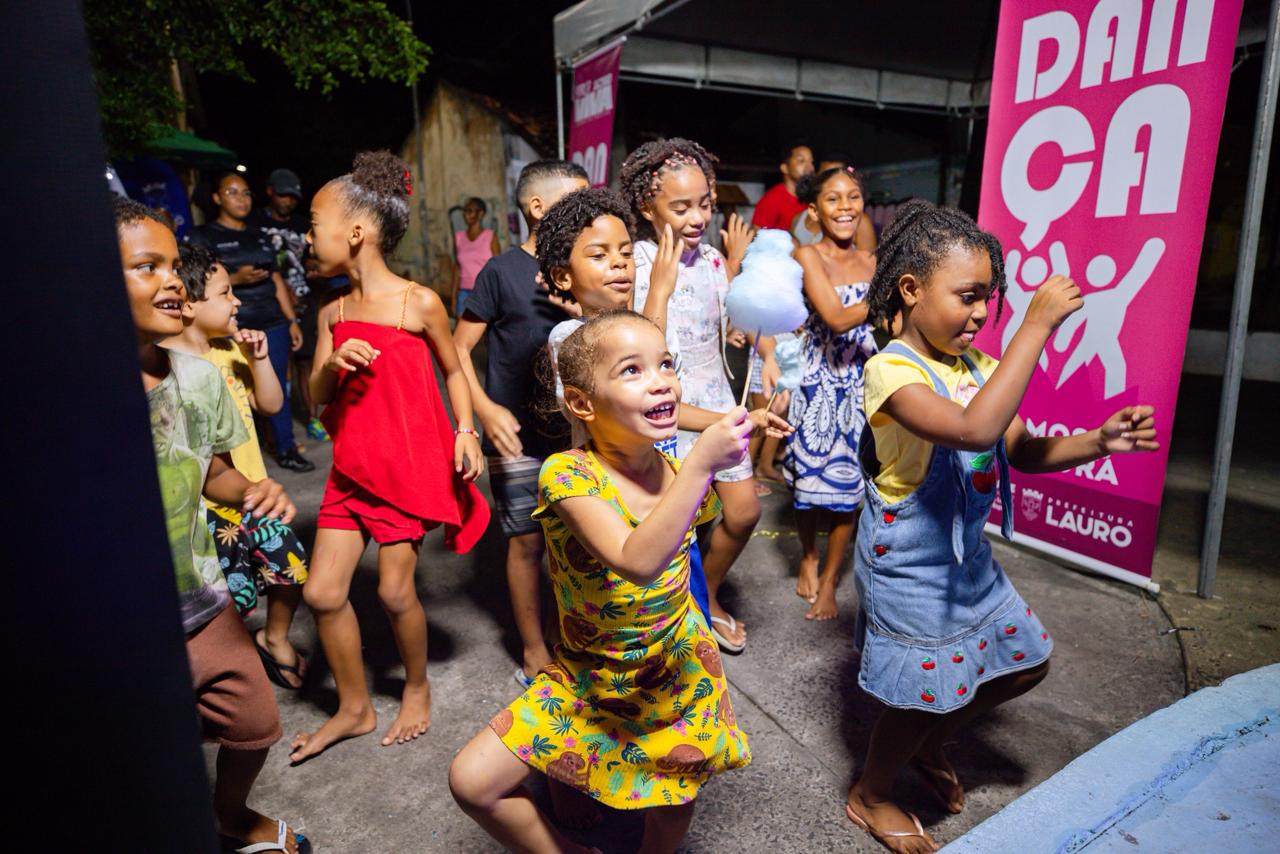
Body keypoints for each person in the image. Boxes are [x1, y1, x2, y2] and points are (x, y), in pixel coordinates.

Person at [844, 200, 1159, 852]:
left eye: (990, 298)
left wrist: (1097, 441)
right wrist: (1036, 327)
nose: (983, 313)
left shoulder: (980, 371)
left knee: (1025, 663)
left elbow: (1020, 450)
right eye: (968, 296)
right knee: (914, 698)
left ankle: (930, 743)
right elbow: (972, 429)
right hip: (907, 558)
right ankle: (871, 794)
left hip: (964, 559)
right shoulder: (891, 371)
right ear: (911, 289)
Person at [449, 310, 754, 854]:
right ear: (583, 404)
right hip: (588, 677)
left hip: (672, 677)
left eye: (665, 364)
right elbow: (635, 560)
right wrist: (703, 462)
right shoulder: (567, 475)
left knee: (671, 804)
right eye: (632, 370)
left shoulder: (674, 469)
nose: (660, 378)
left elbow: (681, 563)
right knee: (473, 782)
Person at [115, 197, 310, 853]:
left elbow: (213, 473)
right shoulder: (66, 386)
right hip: (115, 621)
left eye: (175, 266)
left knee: (254, 722)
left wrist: (254, 486)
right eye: (148, 267)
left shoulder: (197, 379)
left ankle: (229, 814)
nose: (172, 280)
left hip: (202, 599)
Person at [288, 151, 490, 763]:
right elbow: (317, 399)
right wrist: (329, 365)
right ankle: (354, 707)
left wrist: (466, 430)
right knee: (322, 594)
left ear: (355, 233)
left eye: (314, 222)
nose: (305, 235)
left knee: (396, 595)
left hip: (403, 471)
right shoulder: (334, 313)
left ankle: (417, 686)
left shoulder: (417, 302)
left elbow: (456, 371)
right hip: (351, 471)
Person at [621, 138, 790, 654]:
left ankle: (708, 594)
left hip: (719, 398)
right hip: (667, 410)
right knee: (676, 530)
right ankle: (680, 614)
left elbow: (735, 317)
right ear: (648, 208)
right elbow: (640, 342)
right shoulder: (639, 262)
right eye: (681, 207)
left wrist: (766, 354)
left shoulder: (714, 260)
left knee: (742, 513)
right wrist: (662, 286)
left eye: (705, 203)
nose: (697, 217)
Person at [453, 160, 588, 688]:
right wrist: (485, 411)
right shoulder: (499, 272)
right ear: (538, 207)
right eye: (575, 200)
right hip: (517, 437)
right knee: (527, 543)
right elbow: (457, 351)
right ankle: (534, 649)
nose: (586, 212)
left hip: (577, 432)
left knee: (578, 543)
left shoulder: (585, 267)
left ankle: (573, 636)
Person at [163, 243, 311, 689]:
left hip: (251, 489)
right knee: (236, 595)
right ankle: (233, 669)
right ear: (188, 305)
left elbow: (270, 404)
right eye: (226, 293)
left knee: (291, 565)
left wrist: (260, 360)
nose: (237, 301)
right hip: (207, 512)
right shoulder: (167, 369)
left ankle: (274, 637)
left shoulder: (230, 352)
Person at [785, 166, 878, 621]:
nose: (845, 207)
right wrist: (890, 299)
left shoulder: (875, 262)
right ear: (814, 210)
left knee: (850, 488)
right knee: (809, 479)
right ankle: (807, 553)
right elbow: (838, 319)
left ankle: (828, 582)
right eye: (833, 199)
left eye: (854, 197)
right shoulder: (806, 256)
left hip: (863, 383)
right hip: (818, 379)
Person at [187, 172, 314, 473]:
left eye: (246, 193)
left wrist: (290, 320)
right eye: (232, 192)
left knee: (276, 384)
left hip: (272, 321)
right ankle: (238, 460)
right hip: (229, 324)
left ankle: (285, 447)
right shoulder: (203, 236)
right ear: (217, 198)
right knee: (236, 390)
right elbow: (193, 283)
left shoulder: (260, 234)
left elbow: (276, 278)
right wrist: (236, 279)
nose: (242, 199)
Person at [248, 168, 330, 442]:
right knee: (276, 367)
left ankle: (313, 419)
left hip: (304, 303)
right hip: (269, 307)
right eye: (284, 195)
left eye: (294, 197)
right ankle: (274, 431)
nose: (289, 201)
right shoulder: (253, 221)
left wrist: (316, 268)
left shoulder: (302, 225)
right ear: (270, 191)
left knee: (308, 363)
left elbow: (312, 259)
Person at [790, 153, 878, 253]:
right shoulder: (798, 219)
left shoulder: (861, 222)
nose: (836, 181)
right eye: (828, 174)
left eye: (841, 173)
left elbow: (869, 264)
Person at [451, 196, 501, 318]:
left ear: (481, 214)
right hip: (464, 292)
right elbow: (457, 268)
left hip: (485, 291)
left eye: (470, 211)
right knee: (462, 332)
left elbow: (499, 268)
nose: (466, 214)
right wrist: (453, 297)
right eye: (465, 211)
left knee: (485, 331)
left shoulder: (490, 236)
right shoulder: (458, 237)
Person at [751, 142, 813, 231]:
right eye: (801, 161)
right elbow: (757, 237)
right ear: (785, 168)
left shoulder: (812, 197)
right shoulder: (772, 199)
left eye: (811, 161)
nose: (809, 167)